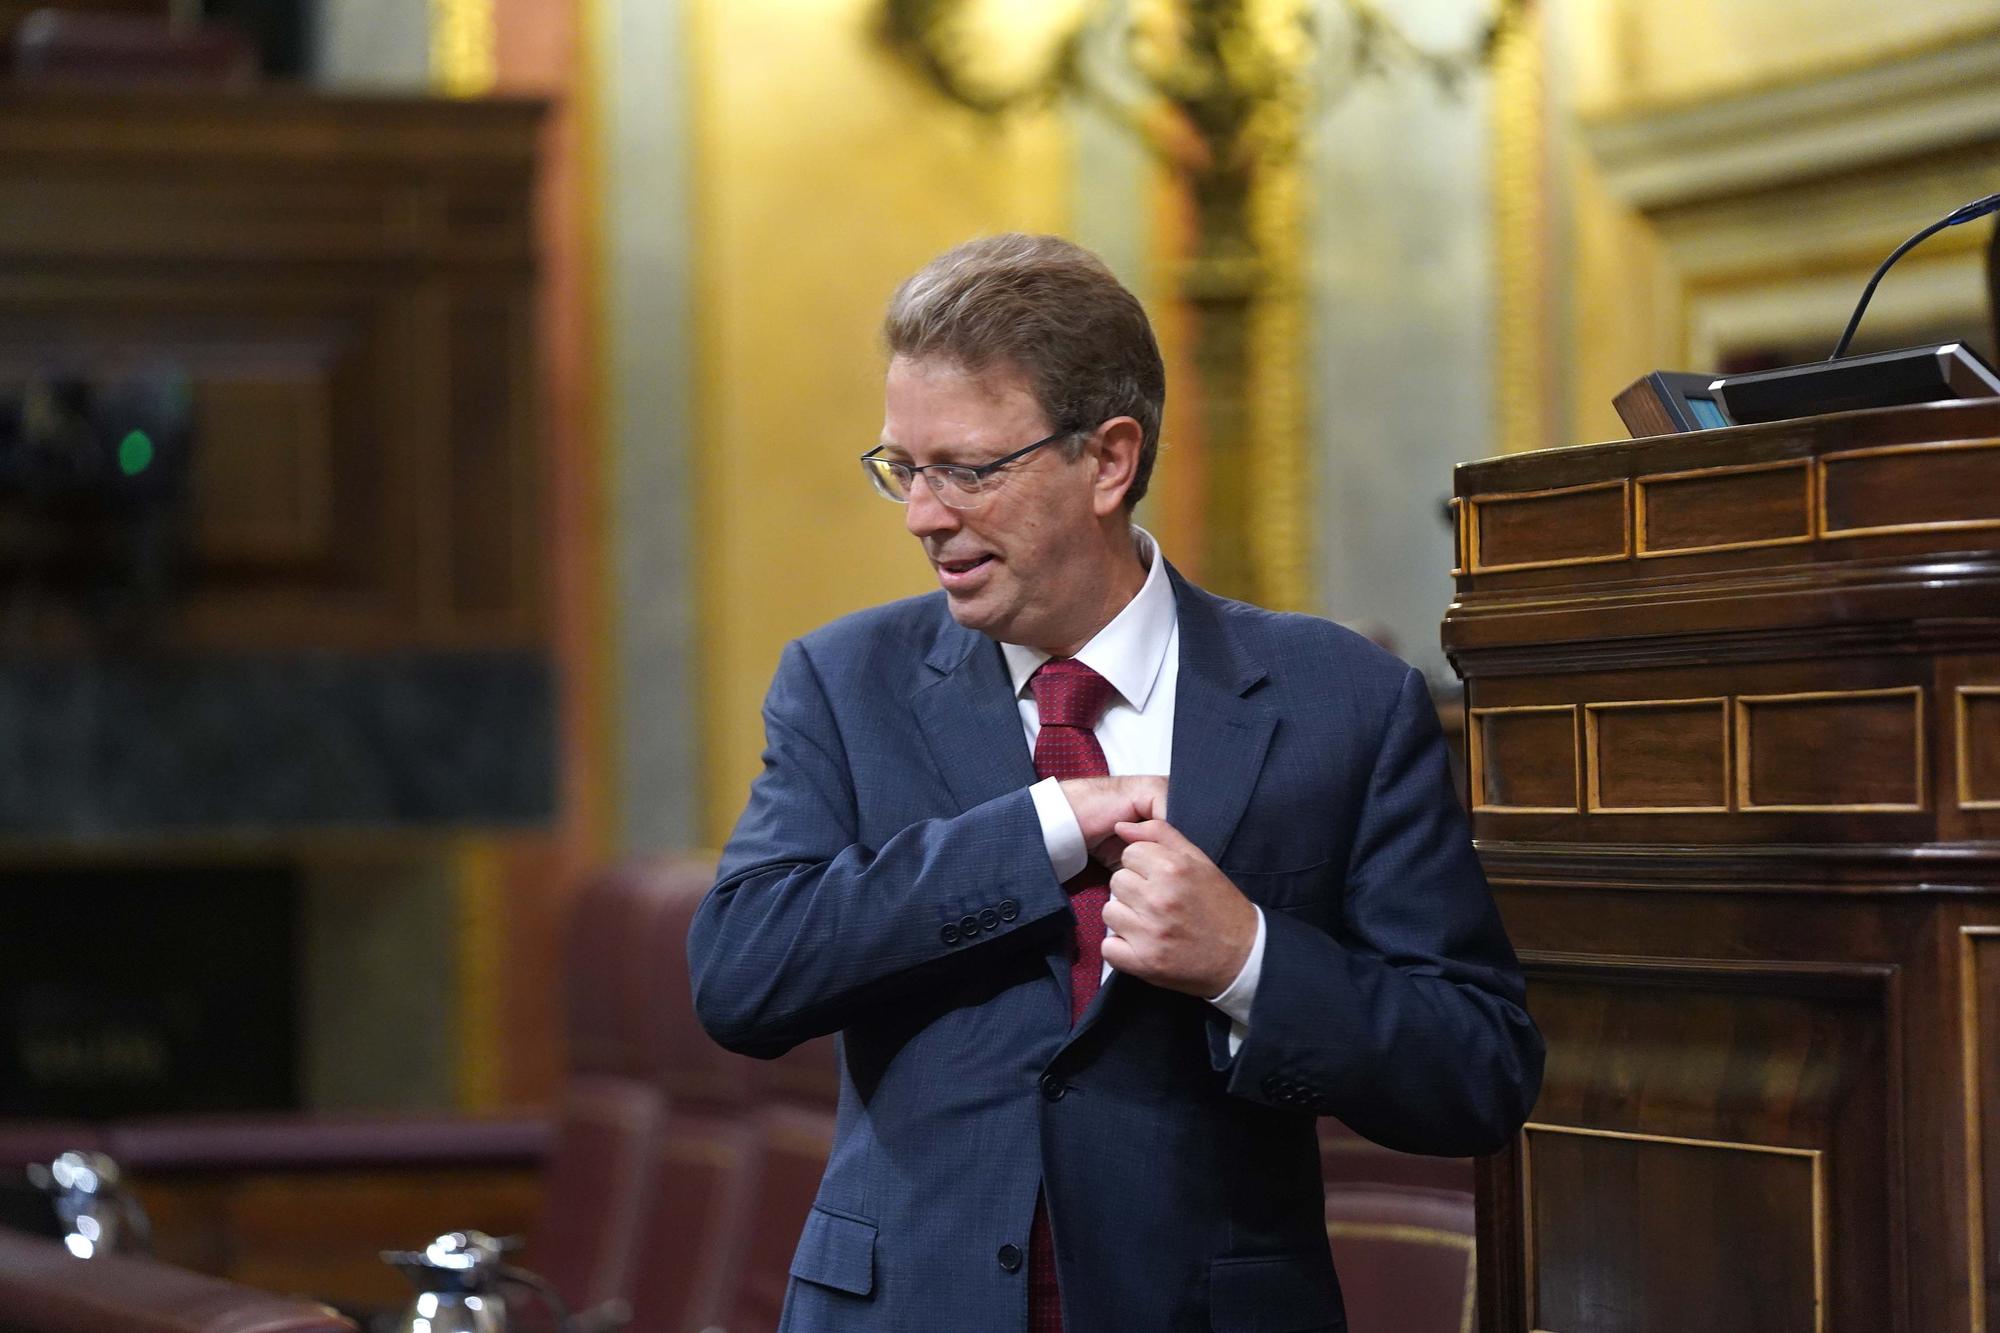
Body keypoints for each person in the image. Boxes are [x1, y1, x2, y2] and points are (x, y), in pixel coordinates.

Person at [688, 233, 1543, 1332]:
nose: (923, 514)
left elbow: (1476, 1069)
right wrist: (1038, 829)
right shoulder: (843, 682)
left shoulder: (1342, 701)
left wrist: (1249, 961)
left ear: (1107, 460)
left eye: (967, 469)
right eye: (904, 467)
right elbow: (742, 976)